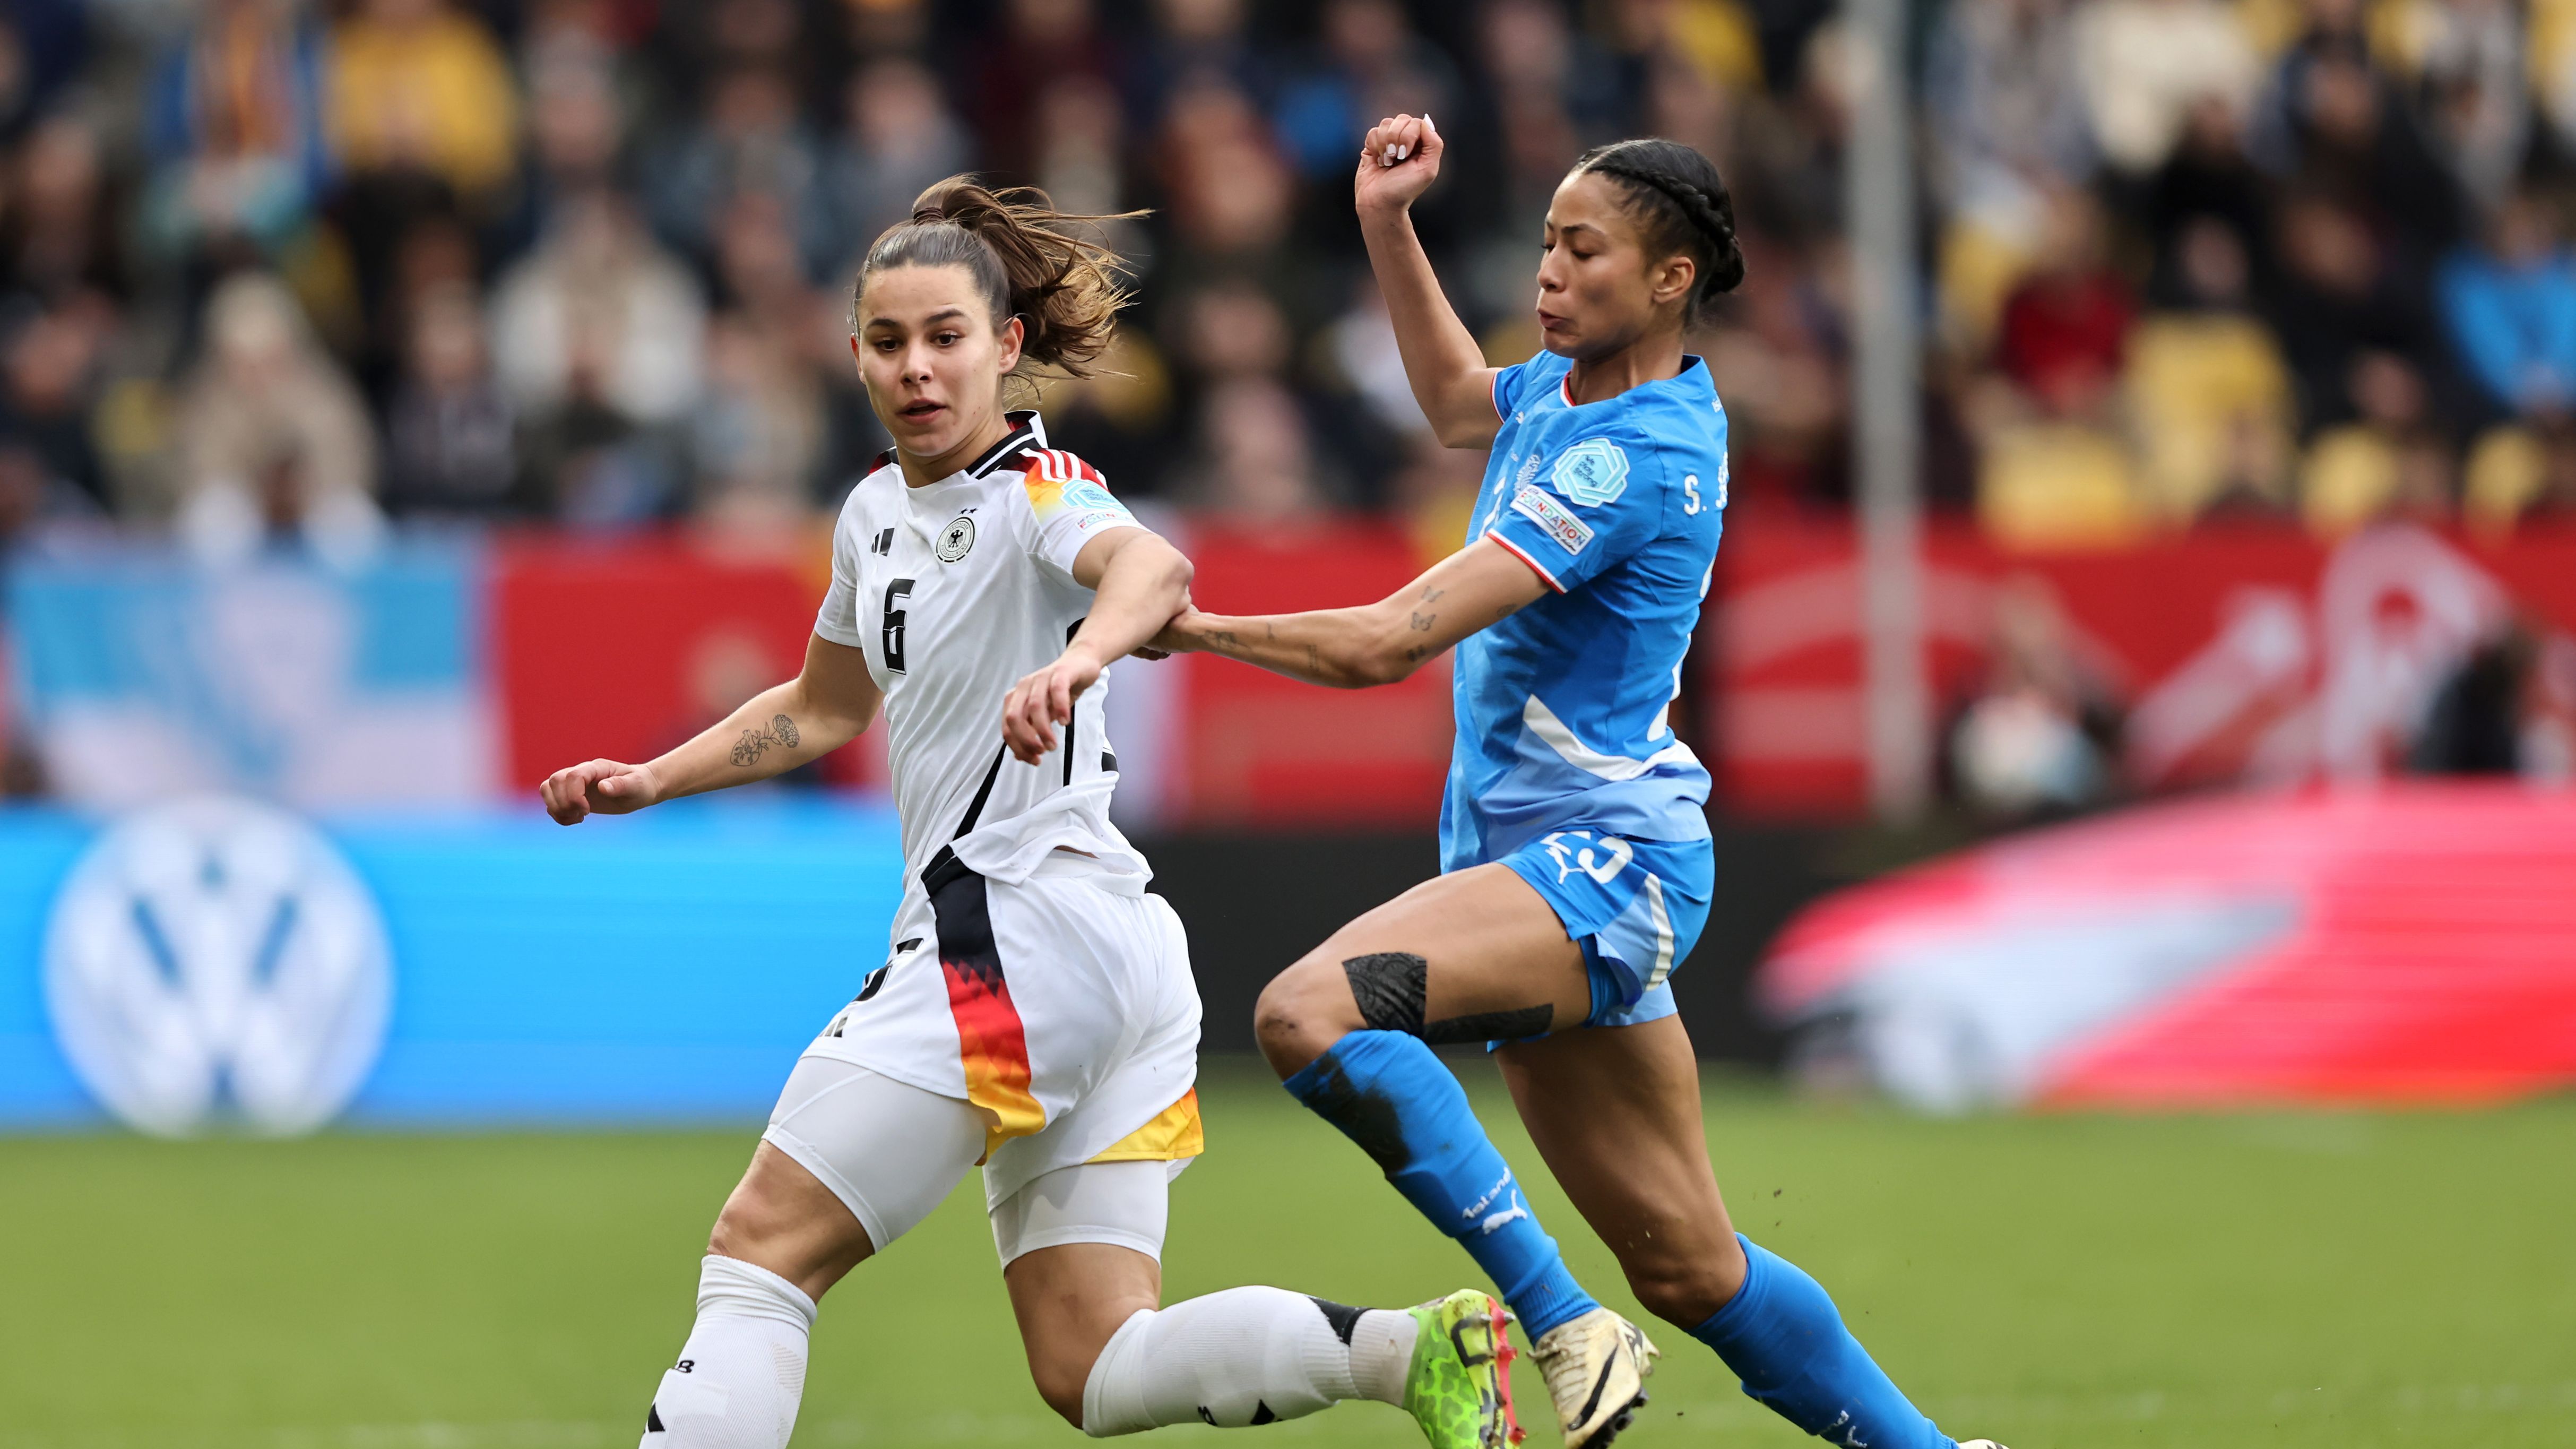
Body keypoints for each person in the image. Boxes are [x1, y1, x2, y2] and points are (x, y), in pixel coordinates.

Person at [540, 179, 1516, 1449]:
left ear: (1005, 346)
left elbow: (1151, 567)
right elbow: (827, 705)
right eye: (888, 343)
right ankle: (1411, 1352)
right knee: (1094, 1366)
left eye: (946, 337)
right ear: (854, 356)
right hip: (1111, 963)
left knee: (763, 1250)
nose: (917, 369)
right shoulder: (873, 515)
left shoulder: (1036, 487)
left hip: (1008, 940)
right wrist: (654, 779)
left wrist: (1080, 660)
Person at [1135, 117, 2010, 1449]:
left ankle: (1559, 1323)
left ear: (1670, 282)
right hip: (1548, 868)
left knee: (1307, 1015)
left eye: (1583, 249)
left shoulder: (1634, 454)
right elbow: (1446, 406)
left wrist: (1188, 629)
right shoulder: (1565, 391)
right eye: (1547, 241)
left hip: (1604, 866)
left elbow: (1392, 639)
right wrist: (1389, 225)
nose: (1549, 272)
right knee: (1694, 1269)